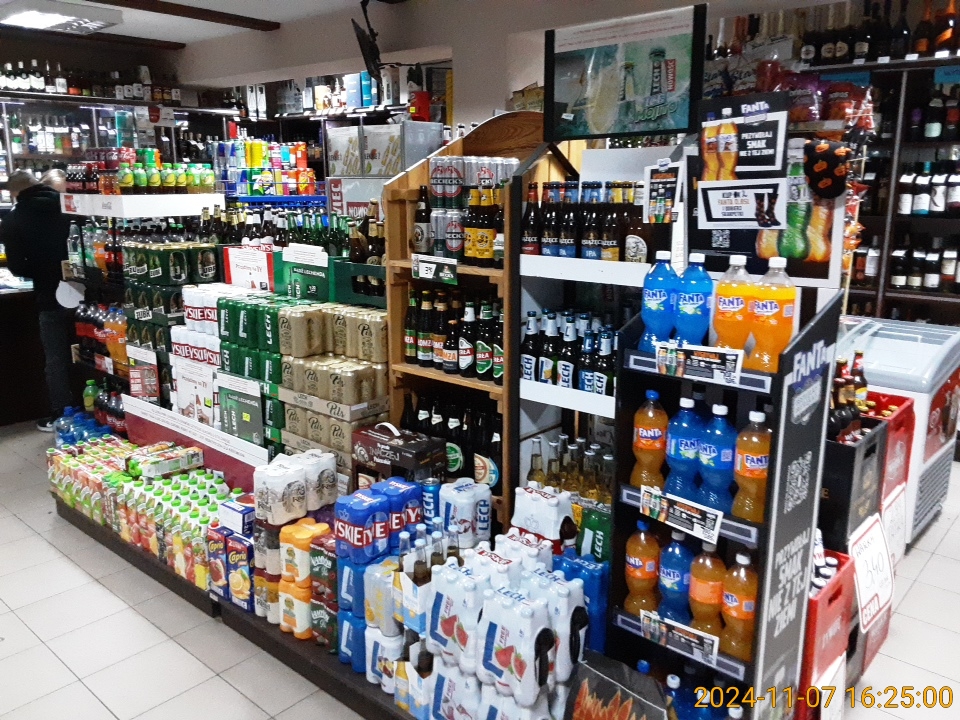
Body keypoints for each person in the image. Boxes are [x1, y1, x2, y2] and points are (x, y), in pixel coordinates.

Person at [1, 169, 72, 431]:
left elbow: (18, 267)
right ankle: (98, 408)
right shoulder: (68, 205)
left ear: (15, 193)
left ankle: (61, 414)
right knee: (90, 351)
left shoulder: (14, 218)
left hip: (48, 294)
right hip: (85, 290)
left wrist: (42, 270)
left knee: (56, 358)